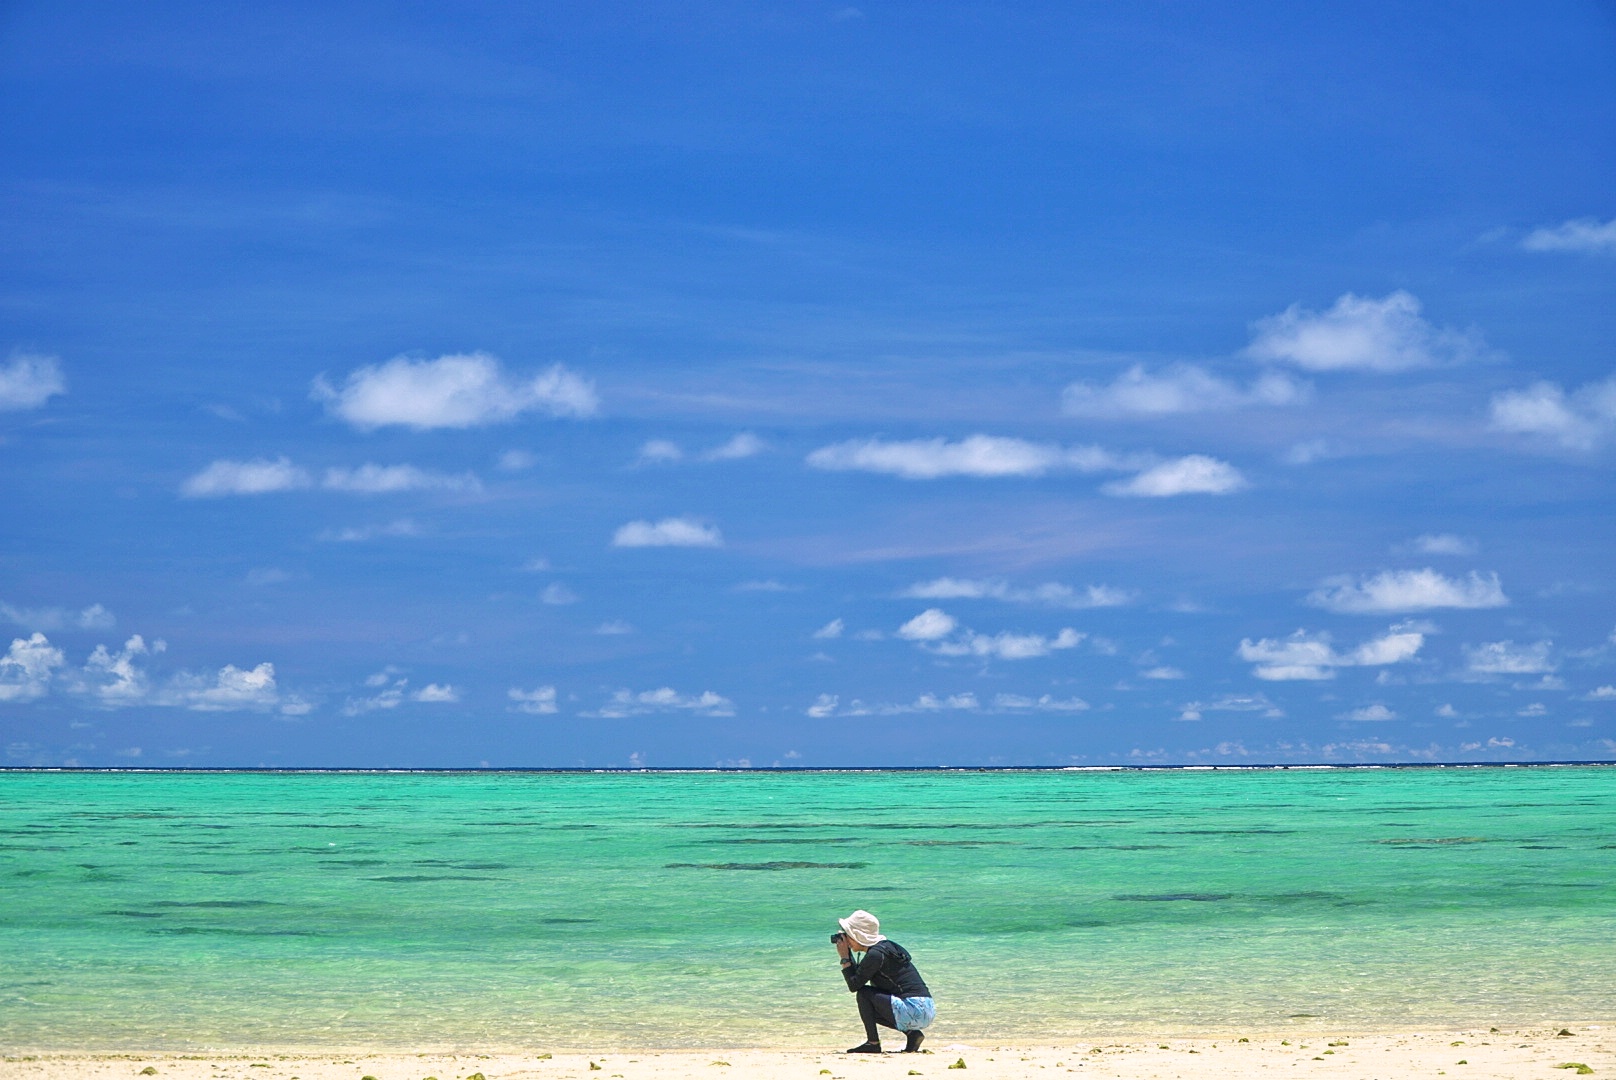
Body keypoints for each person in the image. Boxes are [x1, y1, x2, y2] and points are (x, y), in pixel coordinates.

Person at [832, 909, 934, 1054]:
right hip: (925, 1008)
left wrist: (844, 958)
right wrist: (848, 954)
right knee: (871, 1002)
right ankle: (913, 1035)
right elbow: (859, 976)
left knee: (864, 994)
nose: (846, 940)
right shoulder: (884, 948)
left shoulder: (875, 955)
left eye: (847, 935)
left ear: (858, 935)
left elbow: (855, 985)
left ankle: (873, 1043)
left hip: (913, 1008)